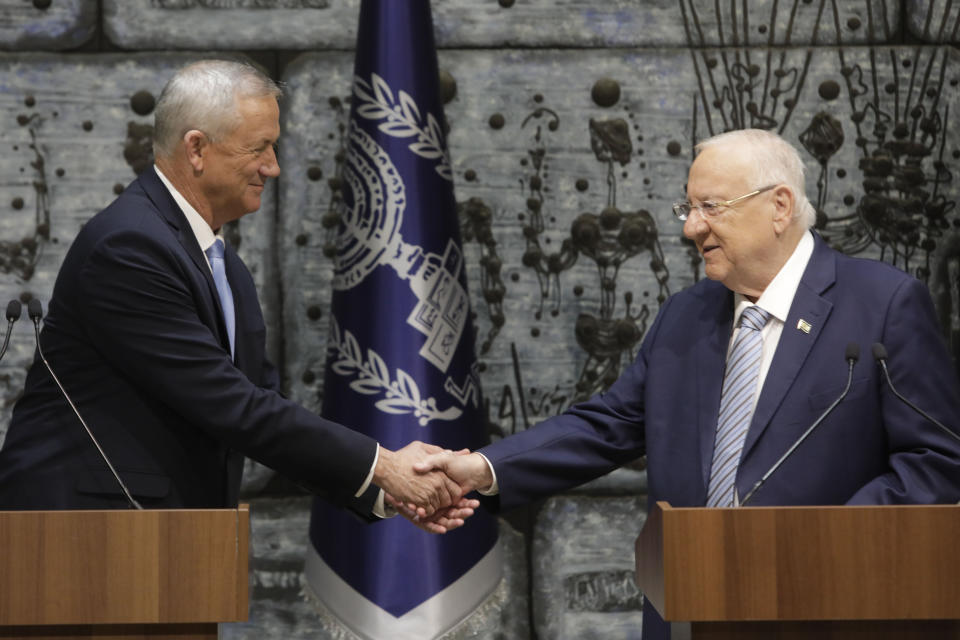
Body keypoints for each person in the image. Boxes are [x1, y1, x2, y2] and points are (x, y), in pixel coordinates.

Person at [412, 129, 960, 637]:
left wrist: (822, 545)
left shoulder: (883, 305)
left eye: (710, 208)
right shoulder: (686, 315)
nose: (690, 227)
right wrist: (479, 470)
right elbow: (608, 425)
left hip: (832, 612)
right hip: (688, 618)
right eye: (689, 208)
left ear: (780, 206)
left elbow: (937, 460)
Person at [0, 60, 472, 533]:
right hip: (78, 536)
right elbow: (233, 406)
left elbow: (258, 399)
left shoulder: (215, 258)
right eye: (259, 148)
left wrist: (383, 487)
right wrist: (386, 468)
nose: (274, 166)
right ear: (197, 148)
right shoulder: (129, 248)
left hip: (161, 540)